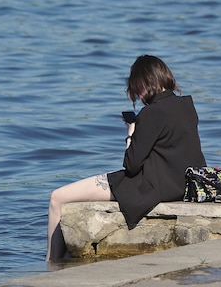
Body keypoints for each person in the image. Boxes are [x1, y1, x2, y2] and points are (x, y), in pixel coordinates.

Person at [46, 55, 206, 261]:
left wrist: (132, 131)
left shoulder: (151, 114)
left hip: (151, 187)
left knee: (56, 198)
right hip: (183, 184)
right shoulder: (187, 105)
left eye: (136, 89)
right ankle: (65, 256)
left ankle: (50, 264)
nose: (137, 96)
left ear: (144, 84)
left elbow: (131, 165)